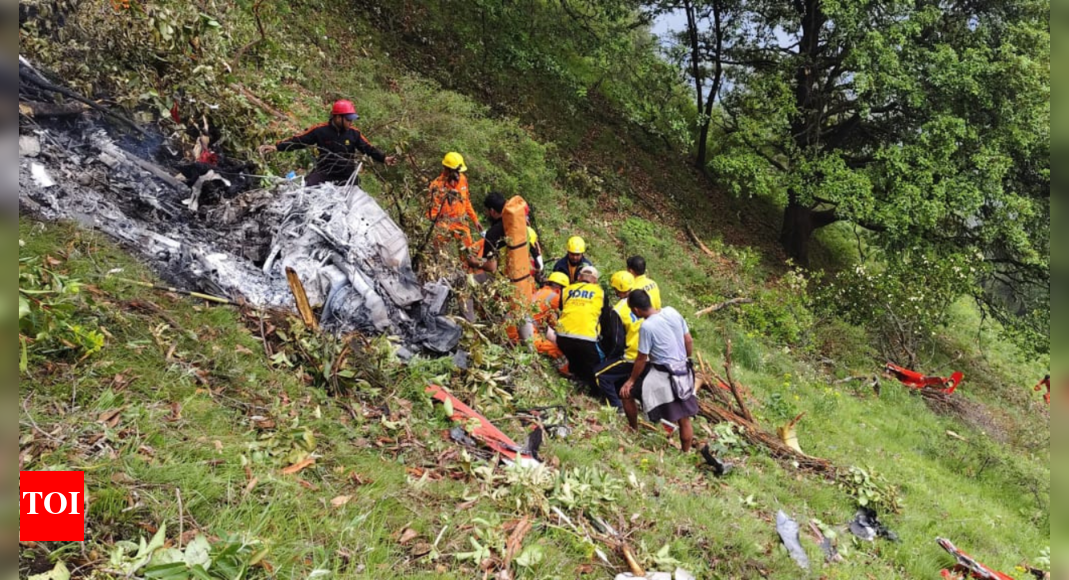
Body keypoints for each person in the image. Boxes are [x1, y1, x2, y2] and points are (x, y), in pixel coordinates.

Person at [619, 289, 699, 452]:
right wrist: (686, 360)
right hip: (683, 371)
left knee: (626, 394)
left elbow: (641, 358)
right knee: (685, 419)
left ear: (636, 310)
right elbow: (688, 340)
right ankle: (685, 453)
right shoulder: (672, 311)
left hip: (663, 373)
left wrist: (631, 380)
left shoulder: (647, 326)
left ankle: (633, 429)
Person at [258, 100, 397, 186]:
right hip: (324, 172)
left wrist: (384, 158)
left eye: (352, 119)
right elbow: (299, 140)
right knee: (305, 191)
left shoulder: (354, 133)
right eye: (348, 119)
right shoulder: (320, 130)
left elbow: (368, 148)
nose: (351, 122)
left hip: (346, 175)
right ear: (337, 117)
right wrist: (277, 147)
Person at [593, 271, 643, 410]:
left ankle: (617, 406)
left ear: (616, 289)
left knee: (600, 375)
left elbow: (617, 341)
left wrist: (609, 357)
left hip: (631, 355)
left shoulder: (618, 310)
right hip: (648, 354)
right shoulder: (642, 299)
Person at [555, 265, 605, 388]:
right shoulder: (600, 293)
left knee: (574, 360)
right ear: (595, 281)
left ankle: (574, 379)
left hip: (562, 337)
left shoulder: (567, 290)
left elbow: (562, 308)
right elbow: (604, 317)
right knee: (596, 365)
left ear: (578, 277)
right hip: (587, 338)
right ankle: (593, 390)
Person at [428, 152, 481, 249]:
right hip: (444, 226)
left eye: (458, 171)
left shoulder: (462, 180)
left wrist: (475, 219)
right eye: (455, 171)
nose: (458, 174)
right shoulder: (436, 186)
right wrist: (443, 227)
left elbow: (466, 201)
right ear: (446, 170)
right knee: (438, 252)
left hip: (462, 224)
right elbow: (432, 214)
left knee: (468, 255)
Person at [532, 272, 572, 376]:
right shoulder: (555, 297)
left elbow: (550, 319)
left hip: (514, 327)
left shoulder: (541, 292)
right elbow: (555, 321)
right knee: (555, 350)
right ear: (561, 289)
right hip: (524, 333)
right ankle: (567, 374)